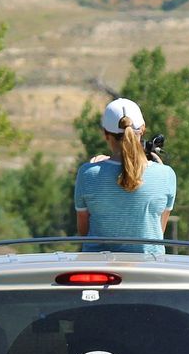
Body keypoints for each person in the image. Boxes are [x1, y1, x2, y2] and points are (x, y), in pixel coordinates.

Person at [74, 97, 177, 255]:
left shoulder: (87, 174)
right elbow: (158, 229)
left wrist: (95, 167)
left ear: (105, 134)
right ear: (142, 129)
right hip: (149, 268)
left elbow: (84, 231)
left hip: (97, 266)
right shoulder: (167, 175)